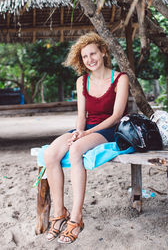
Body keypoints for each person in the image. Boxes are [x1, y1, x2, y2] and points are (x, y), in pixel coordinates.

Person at [44, 32, 129, 244]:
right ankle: (59, 212)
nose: (89, 59)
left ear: (103, 52)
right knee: (51, 153)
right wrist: (77, 132)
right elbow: (82, 116)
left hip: (111, 129)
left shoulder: (120, 78)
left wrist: (86, 135)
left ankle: (76, 217)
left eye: (93, 54)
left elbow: (117, 115)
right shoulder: (82, 81)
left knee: (75, 150)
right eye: (84, 56)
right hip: (88, 128)